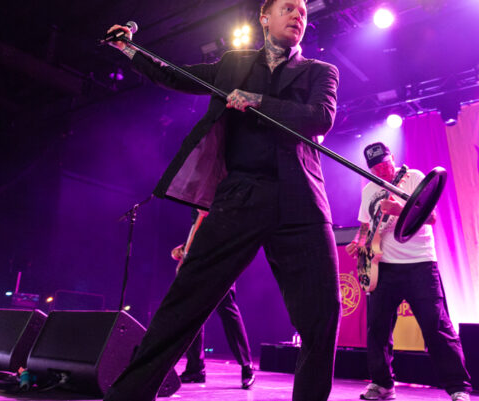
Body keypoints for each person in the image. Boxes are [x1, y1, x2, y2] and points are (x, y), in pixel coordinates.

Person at [104, 0, 341, 400]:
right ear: (264, 17)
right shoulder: (233, 63)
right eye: (288, 8)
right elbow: (174, 74)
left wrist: (259, 101)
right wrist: (128, 49)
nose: (298, 16)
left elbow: (320, 117)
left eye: (302, 11)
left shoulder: (321, 71)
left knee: (322, 314)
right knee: (186, 300)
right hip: (240, 196)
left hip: (301, 199)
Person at [345, 142, 472, 401]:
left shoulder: (413, 178)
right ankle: (382, 384)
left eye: (385, 164)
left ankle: (458, 387)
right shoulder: (369, 189)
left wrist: (400, 210)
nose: (382, 171)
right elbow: (365, 226)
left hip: (420, 264)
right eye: (376, 168)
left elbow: (431, 218)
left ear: (393, 157)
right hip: (383, 268)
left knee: (436, 326)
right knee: (378, 329)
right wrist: (358, 242)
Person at [170, 209, 255, 388]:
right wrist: (186, 249)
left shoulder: (223, 195)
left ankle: (247, 366)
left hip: (222, 256)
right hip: (201, 257)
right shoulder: (196, 200)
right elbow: (198, 227)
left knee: (227, 310)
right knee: (192, 314)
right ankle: (195, 369)